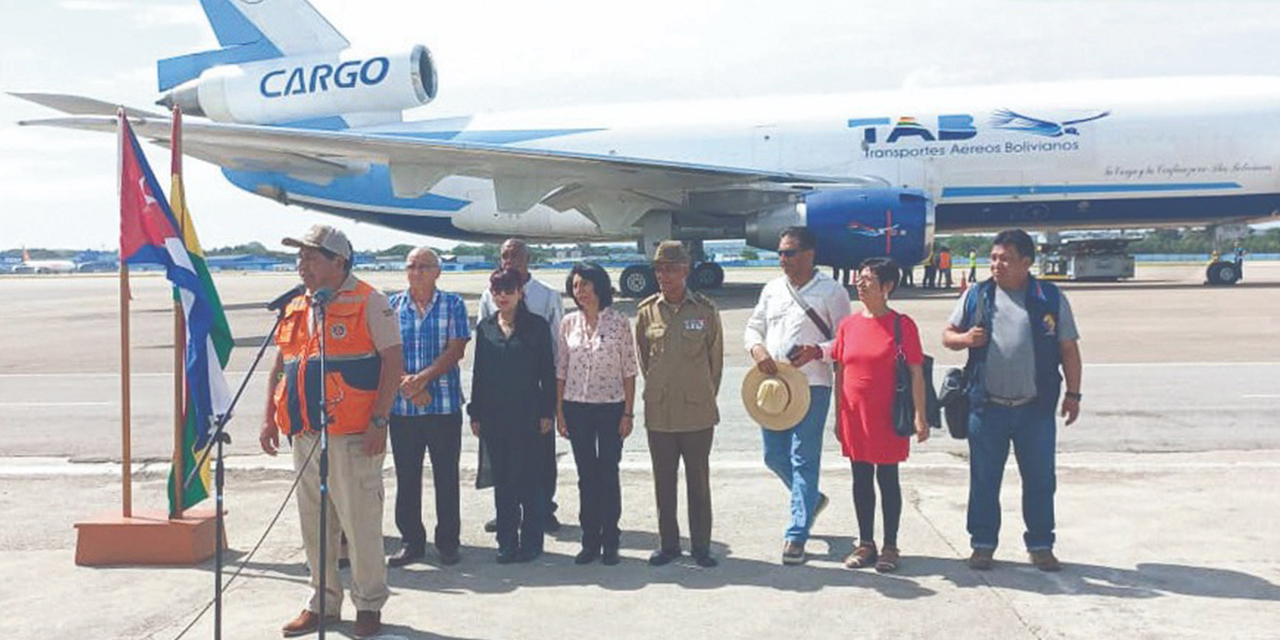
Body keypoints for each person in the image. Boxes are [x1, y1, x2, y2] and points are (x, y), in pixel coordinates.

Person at [259, 224, 402, 639]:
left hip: (354, 434)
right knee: (314, 524)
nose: (301, 265)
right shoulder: (298, 306)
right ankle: (322, 602)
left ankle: (369, 604)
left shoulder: (370, 302)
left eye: (311, 257)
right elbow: (280, 365)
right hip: (305, 433)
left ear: (338, 262)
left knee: (360, 524)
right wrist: (269, 416)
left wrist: (380, 420)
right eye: (299, 257)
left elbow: (392, 365)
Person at [943, 229, 1083, 572]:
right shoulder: (978, 295)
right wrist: (964, 338)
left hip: (1034, 409)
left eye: (1004, 259)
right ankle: (983, 544)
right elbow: (947, 336)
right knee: (984, 481)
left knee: (1040, 481)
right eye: (993, 258)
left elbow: (1069, 349)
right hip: (986, 406)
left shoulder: (1048, 298)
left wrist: (1074, 394)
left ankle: (1040, 544)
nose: (996, 265)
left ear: (1026, 262)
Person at [744, 226, 851, 565]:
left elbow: (845, 341)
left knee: (804, 458)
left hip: (812, 386)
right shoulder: (773, 289)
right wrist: (757, 349)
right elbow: (753, 326)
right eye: (780, 253)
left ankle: (796, 534)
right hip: (775, 387)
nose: (783, 259)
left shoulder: (832, 291)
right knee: (774, 456)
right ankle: (811, 499)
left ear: (809, 255)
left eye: (789, 253)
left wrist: (816, 351)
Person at [830, 258, 929, 573]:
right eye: (859, 278)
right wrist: (837, 415)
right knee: (860, 478)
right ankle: (865, 543)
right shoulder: (848, 324)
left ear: (887, 287)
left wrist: (920, 416)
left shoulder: (902, 324)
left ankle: (890, 545)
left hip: (888, 415)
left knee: (887, 478)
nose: (860, 284)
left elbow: (915, 373)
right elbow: (840, 370)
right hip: (854, 414)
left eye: (868, 279)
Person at [635, 241, 724, 568]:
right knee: (663, 481)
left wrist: (699, 393)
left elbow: (715, 364)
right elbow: (645, 360)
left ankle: (701, 546)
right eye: (659, 269)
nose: (664, 276)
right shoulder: (646, 312)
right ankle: (668, 544)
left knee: (698, 481)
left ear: (686, 270)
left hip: (697, 411)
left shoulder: (704, 310)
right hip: (660, 412)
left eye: (671, 268)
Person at [386, 247, 470, 568]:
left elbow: (456, 349)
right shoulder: (392, 306)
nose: (417, 272)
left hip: (443, 405)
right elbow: (386, 352)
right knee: (407, 477)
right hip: (403, 408)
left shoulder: (453, 304)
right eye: (412, 266)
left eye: (424, 266)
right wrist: (407, 386)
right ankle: (411, 541)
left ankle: (448, 541)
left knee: (446, 476)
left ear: (438, 272)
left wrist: (421, 380)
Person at [469, 268, 558, 563]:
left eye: (508, 290)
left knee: (529, 480)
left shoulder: (537, 326)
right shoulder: (485, 328)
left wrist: (548, 411)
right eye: (497, 291)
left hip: (529, 414)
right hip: (495, 417)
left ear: (520, 293)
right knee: (504, 482)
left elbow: (548, 371)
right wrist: (476, 412)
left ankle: (532, 541)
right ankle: (507, 541)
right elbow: (479, 373)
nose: (502, 296)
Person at [478, 238, 565, 533]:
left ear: (528, 258)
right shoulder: (489, 294)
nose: (510, 260)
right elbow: (485, 340)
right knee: (502, 457)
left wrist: (550, 401)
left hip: (535, 388)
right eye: (504, 255)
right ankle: (507, 511)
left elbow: (555, 346)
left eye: (516, 255)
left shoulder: (546, 295)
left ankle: (544, 508)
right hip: (501, 392)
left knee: (540, 455)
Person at [555, 262, 639, 566]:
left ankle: (610, 540)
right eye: (576, 286)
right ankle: (589, 539)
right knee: (585, 475)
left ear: (600, 287)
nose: (581, 292)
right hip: (577, 407)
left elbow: (630, 370)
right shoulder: (568, 323)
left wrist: (628, 413)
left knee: (608, 472)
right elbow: (561, 369)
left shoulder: (618, 323)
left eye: (587, 285)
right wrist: (559, 411)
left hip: (611, 407)